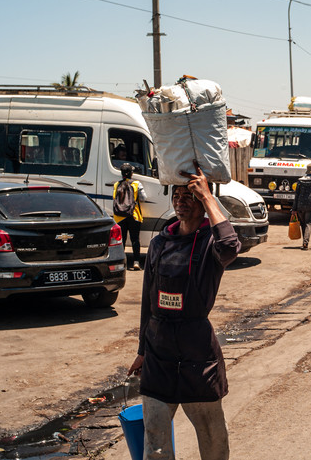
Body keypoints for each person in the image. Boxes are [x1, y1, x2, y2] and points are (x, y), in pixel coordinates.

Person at [127, 161, 240, 460]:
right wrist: (142, 350)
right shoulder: (160, 242)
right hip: (158, 353)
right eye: (177, 195)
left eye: (189, 195)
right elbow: (147, 301)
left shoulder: (210, 243)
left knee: (213, 439)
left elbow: (230, 246)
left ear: (203, 202)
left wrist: (207, 196)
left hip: (196, 355)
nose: (181, 200)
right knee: (156, 440)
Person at [113, 163, 147, 270]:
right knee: (135, 239)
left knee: (121, 240)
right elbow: (143, 198)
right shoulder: (137, 184)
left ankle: (122, 263)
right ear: (131, 173)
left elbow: (115, 199)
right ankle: (136, 262)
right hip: (134, 215)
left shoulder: (116, 185)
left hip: (119, 217)